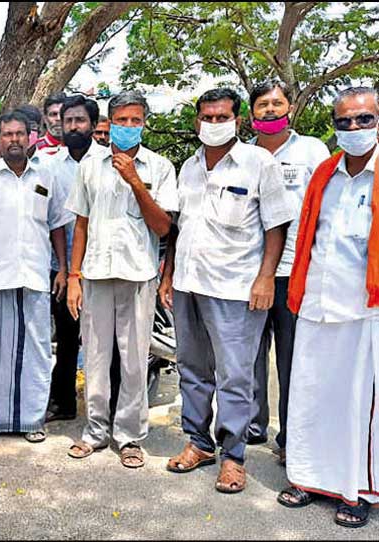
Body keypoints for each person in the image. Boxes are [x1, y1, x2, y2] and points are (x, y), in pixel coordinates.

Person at [159, 88, 294, 493]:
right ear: (197, 121)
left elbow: (277, 225)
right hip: (188, 283)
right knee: (193, 370)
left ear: (237, 121)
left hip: (235, 287)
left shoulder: (259, 163)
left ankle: (234, 456)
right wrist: (168, 278)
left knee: (235, 376)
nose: (214, 124)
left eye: (222, 117)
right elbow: (179, 229)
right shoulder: (189, 166)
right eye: (207, 117)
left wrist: (266, 277)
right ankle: (198, 443)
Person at [277, 87, 379, 528]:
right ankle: (308, 477)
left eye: (364, 119)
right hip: (316, 300)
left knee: (357, 403)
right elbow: (307, 238)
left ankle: (356, 490)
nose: (353, 128)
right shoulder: (324, 173)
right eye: (344, 122)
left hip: (364, 308)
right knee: (309, 395)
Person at [64, 91, 178, 468]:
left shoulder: (159, 167)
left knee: (133, 360)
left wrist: (134, 180)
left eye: (136, 120)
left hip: (138, 273)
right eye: (121, 120)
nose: (128, 127)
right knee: (95, 358)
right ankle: (95, 431)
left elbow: (163, 227)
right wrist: (75, 277)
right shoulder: (89, 165)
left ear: (145, 122)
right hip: (96, 273)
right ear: (108, 123)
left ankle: (129, 436)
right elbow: (80, 223)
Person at [0, 110, 73, 444]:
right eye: (7, 134)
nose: (14, 140)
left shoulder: (46, 176)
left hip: (35, 275)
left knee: (36, 350)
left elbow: (57, 227)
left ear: (30, 137)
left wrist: (63, 269)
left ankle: (32, 419)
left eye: (20, 134)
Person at [246, 80, 331, 458]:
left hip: (298, 272)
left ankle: (291, 438)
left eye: (276, 103)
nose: (269, 110)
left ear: (290, 108)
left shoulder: (312, 151)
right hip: (248, 272)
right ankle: (251, 427)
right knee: (249, 357)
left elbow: (324, 208)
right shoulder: (243, 155)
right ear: (251, 114)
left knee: (293, 359)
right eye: (262, 104)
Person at [43, 95, 99, 425]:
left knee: (105, 343)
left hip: (105, 270)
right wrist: (64, 270)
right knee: (65, 341)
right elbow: (53, 222)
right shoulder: (50, 168)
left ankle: (105, 409)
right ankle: (63, 403)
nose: (74, 126)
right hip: (63, 270)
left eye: (80, 120)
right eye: (68, 121)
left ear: (92, 124)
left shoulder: (110, 161)